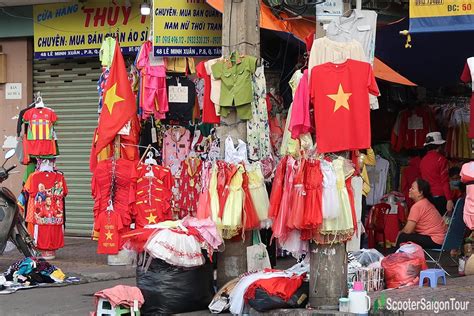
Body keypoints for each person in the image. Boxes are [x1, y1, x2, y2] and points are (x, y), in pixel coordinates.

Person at [396, 179, 447, 249]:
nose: (410, 190)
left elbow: (408, 230)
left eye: (413, 188)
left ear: (420, 193)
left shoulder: (417, 206)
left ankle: (396, 258)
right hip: (442, 239)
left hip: (435, 240)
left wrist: (400, 233)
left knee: (403, 236)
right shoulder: (425, 202)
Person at [419, 132, 453, 215]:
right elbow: (445, 181)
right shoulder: (442, 160)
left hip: (427, 196)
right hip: (440, 197)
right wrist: (449, 199)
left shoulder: (423, 161)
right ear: (439, 145)